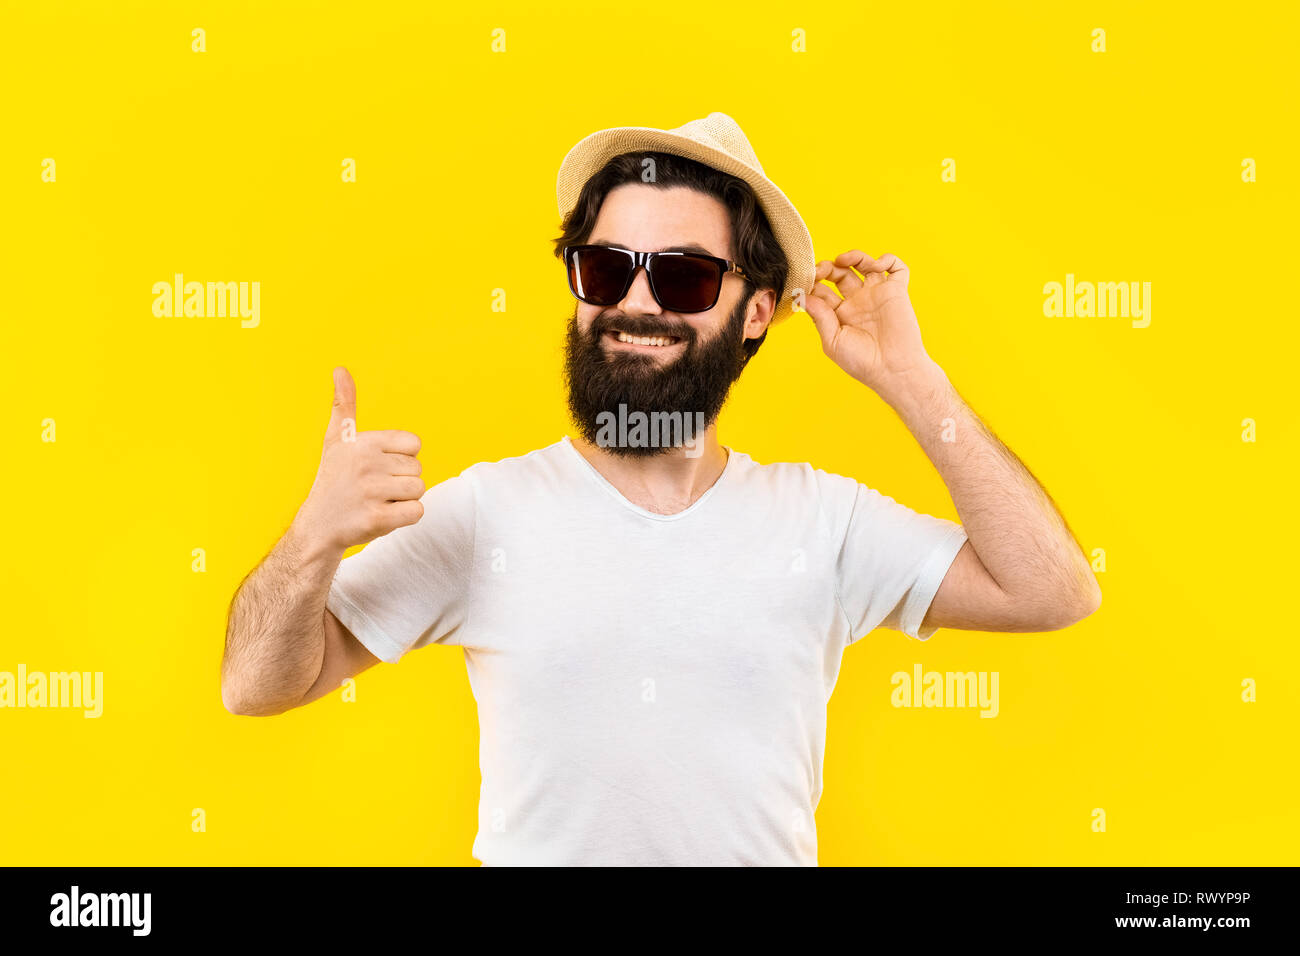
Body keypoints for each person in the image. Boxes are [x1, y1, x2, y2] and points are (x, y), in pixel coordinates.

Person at [221, 112, 1101, 866]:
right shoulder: (486, 514)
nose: (636, 303)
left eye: (682, 275)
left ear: (756, 311)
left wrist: (913, 381)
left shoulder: (824, 523)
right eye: (607, 269)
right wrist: (311, 542)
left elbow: (1053, 589)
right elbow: (256, 686)